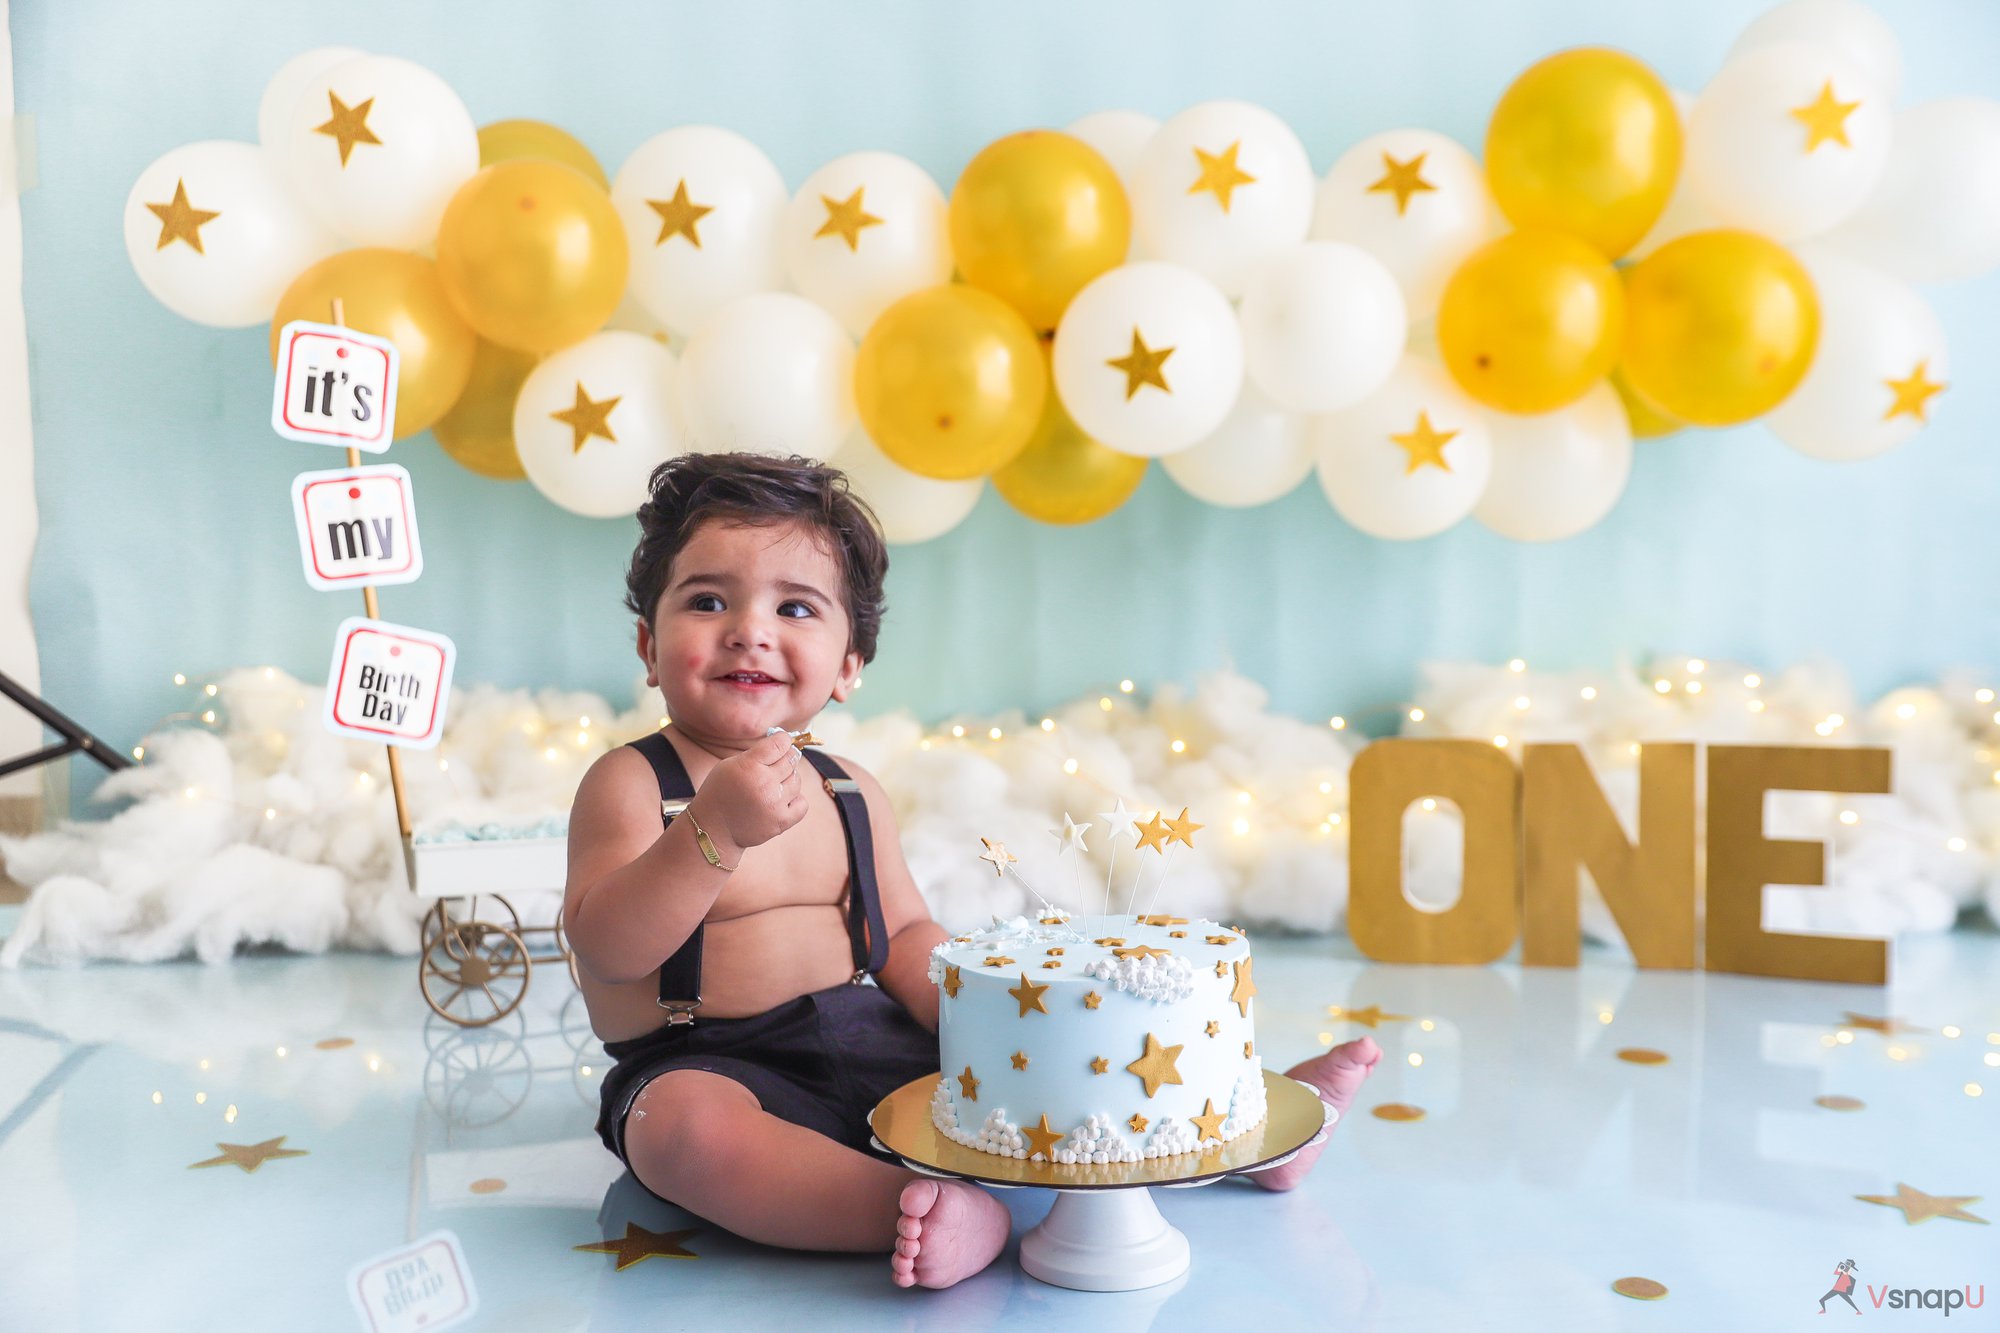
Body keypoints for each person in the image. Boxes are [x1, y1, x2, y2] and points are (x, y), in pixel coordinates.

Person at [564, 451, 1379, 1290]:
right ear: (649, 646)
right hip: (707, 1062)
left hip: (867, 1033)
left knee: (1055, 1072)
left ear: (848, 666)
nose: (750, 630)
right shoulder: (633, 784)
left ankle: (1241, 1132)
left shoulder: (849, 790)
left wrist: (984, 1014)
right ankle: (913, 1209)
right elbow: (608, 947)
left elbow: (902, 931)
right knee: (684, 1135)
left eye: (795, 607)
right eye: (707, 601)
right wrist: (712, 832)